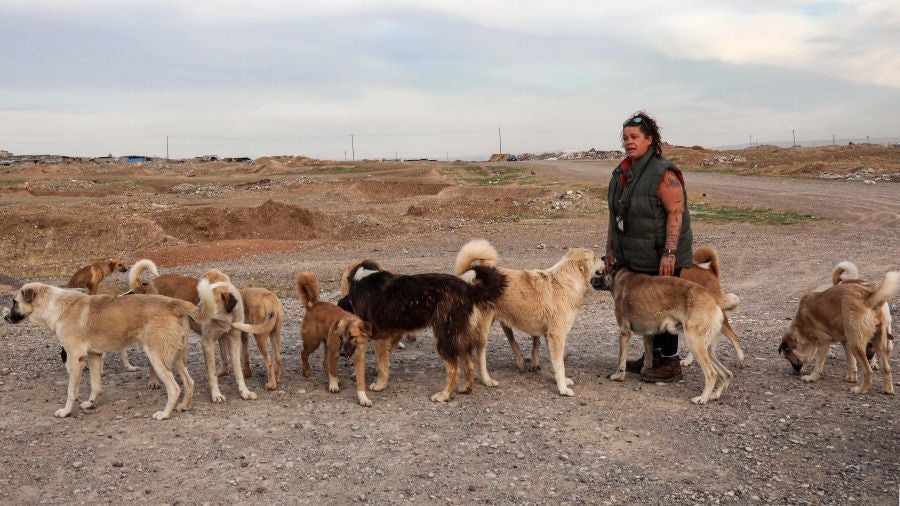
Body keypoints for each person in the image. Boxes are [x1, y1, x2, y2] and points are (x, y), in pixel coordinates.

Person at [604, 111, 693, 382]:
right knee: (646, 305)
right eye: (625, 137)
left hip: (662, 253)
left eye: (634, 137)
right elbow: (614, 215)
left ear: (649, 140)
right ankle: (650, 358)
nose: (629, 142)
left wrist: (670, 252)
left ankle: (670, 363)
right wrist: (610, 250)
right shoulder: (623, 172)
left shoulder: (662, 172)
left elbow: (675, 212)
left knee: (666, 305)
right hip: (636, 253)